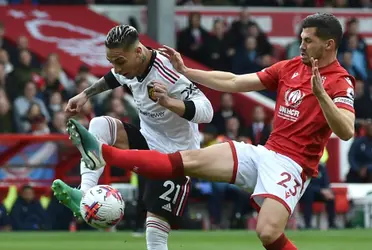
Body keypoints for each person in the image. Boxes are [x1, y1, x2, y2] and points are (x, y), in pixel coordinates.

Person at [66, 13, 355, 250]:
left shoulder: (340, 82)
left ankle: (101, 152)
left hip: (293, 166)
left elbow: (346, 131)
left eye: (308, 41)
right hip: (265, 152)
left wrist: (321, 96)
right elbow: (231, 81)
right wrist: (187, 71)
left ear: (329, 45)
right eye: (301, 39)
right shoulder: (291, 67)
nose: (300, 46)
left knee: (267, 233)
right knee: (188, 161)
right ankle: (100, 156)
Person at [52, 25, 213, 250]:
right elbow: (114, 78)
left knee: (155, 236)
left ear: (138, 52)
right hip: (148, 141)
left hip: (178, 156)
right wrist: (84, 94)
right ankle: (85, 193)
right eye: (112, 61)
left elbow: (207, 110)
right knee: (99, 124)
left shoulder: (168, 71)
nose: (116, 67)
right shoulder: (129, 66)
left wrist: (168, 102)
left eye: (119, 61)